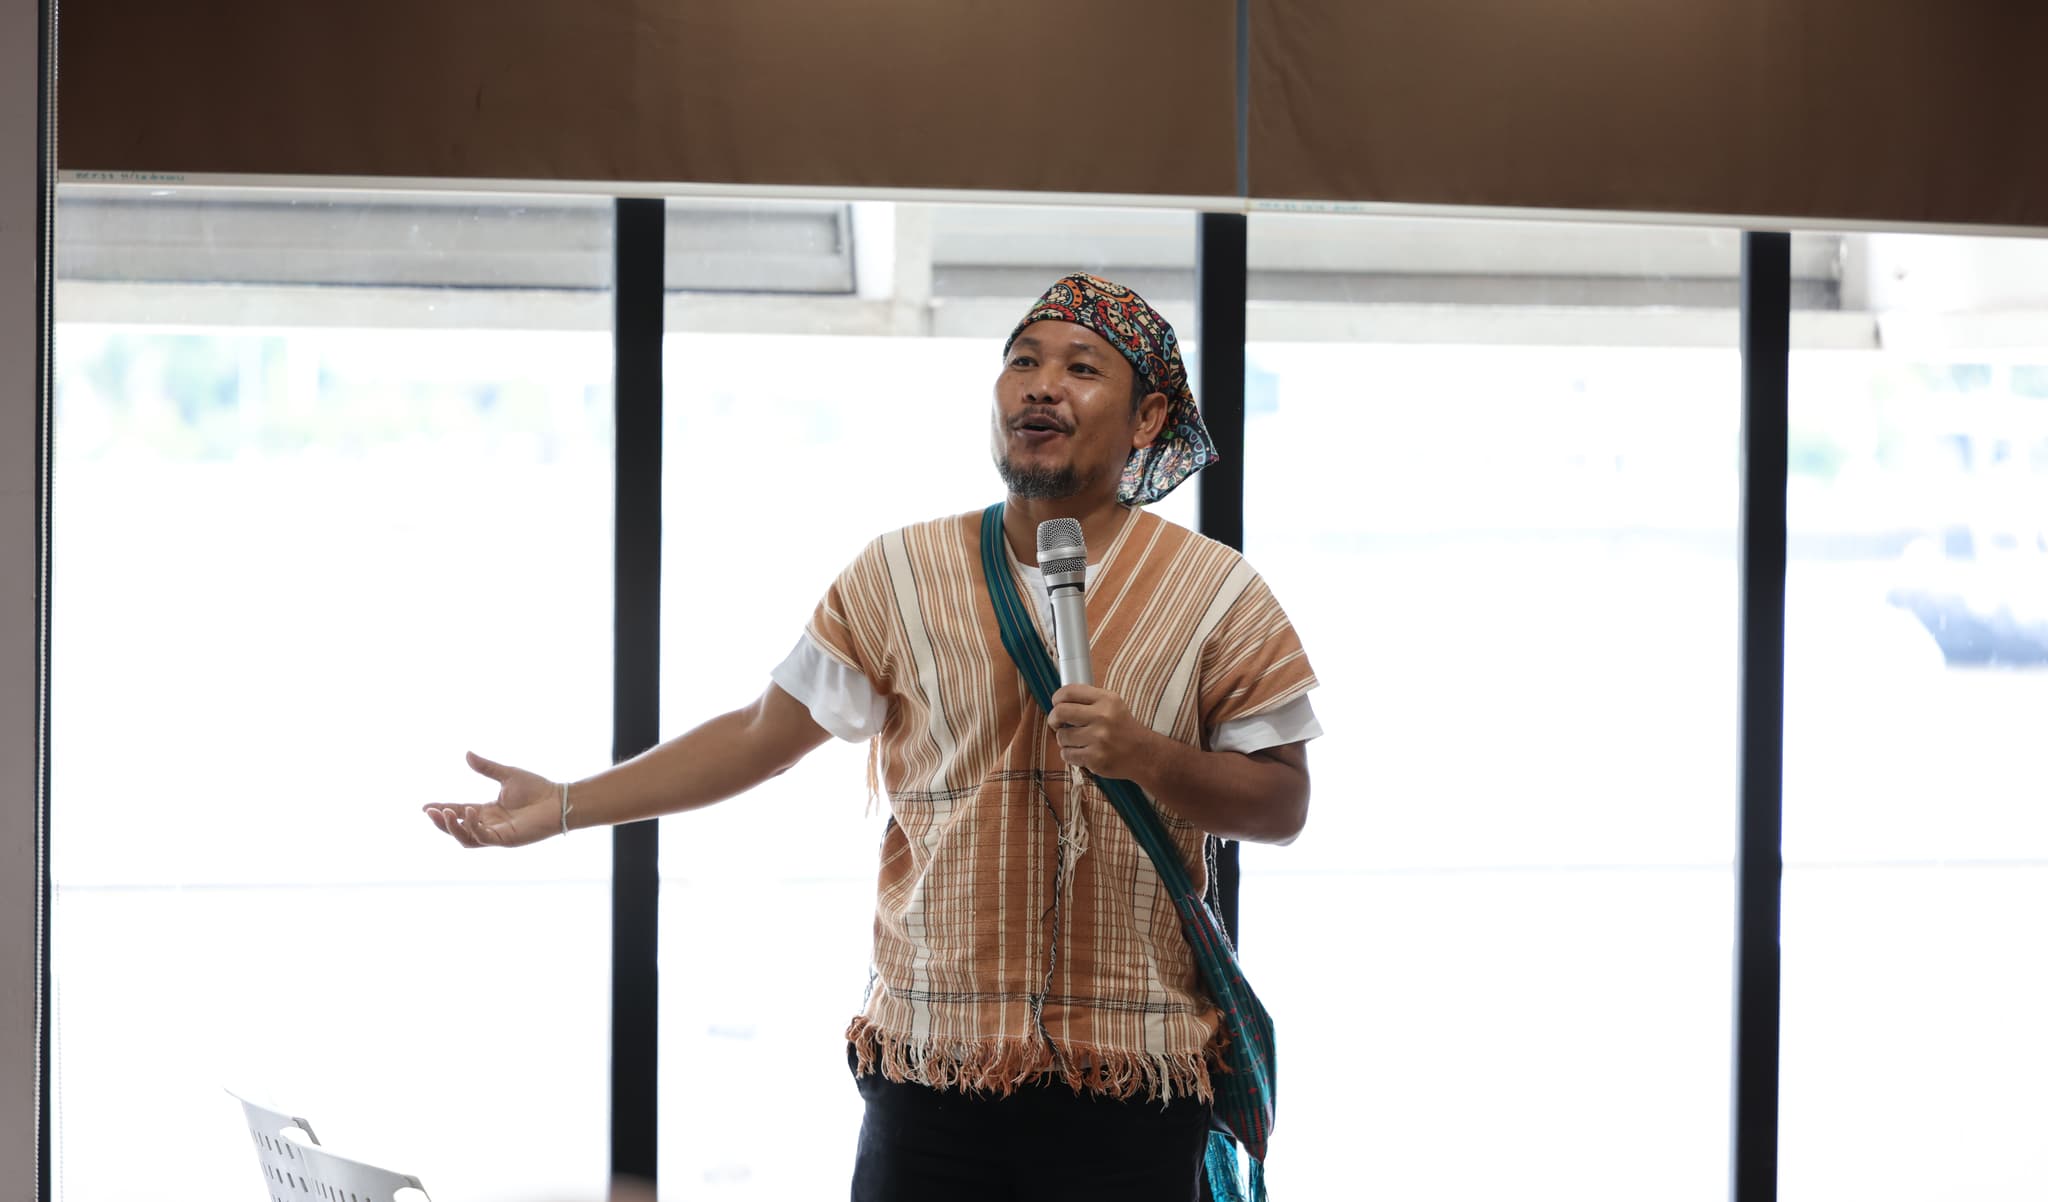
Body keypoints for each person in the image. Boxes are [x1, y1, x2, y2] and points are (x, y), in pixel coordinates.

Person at [424, 273, 1321, 1201]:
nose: (1041, 387)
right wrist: (567, 803)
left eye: (1082, 369)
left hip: (1135, 1080)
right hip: (930, 1068)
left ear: (1148, 419)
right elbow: (759, 734)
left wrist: (1148, 758)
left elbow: (1284, 804)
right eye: (1022, 362)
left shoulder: (1220, 592)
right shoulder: (900, 571)